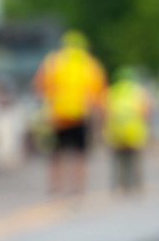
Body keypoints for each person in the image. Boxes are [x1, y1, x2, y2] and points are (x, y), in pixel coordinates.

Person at [33, 30, 106, 195]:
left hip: (57, 115)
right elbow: (99, 92)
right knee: (80, 154)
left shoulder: (53, 62)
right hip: (80, 114)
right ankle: (78, 186)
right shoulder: (89, 64)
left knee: (56, 154)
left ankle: (56, 186)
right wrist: (99, 117)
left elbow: (39, 85)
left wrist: (44, 107)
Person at [103, 66, 152, 193]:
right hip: (135, 131)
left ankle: (120, 186)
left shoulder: (112, 91)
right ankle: (137, 186)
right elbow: (146, 111)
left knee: (119, 161)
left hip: (117, 131)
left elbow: (105, 113)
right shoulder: (139, 92)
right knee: (135, 161)